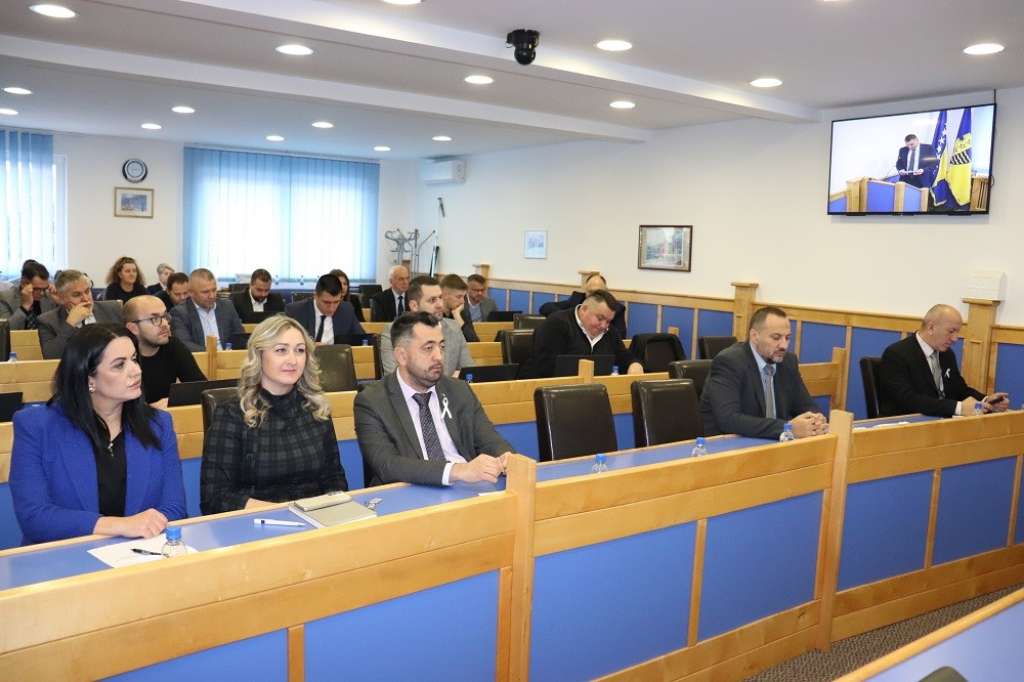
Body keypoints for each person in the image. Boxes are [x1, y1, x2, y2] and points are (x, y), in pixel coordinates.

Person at [9, 325, 187, 544]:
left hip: (140, 553)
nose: (136, 371)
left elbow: (175, 508)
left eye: (134, 359)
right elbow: (34, 518)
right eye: (119, 365)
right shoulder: (36, 427)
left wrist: (137, 529)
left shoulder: (158, 424)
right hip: (62, 557)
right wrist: (121, 525)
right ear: (88, 378)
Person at [200, 315, 348, 514]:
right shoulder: (232, 414)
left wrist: (333, 511)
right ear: (259, 355)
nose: (293, 360)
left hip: (316, 519)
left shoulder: (317, 408)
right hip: (257, 522)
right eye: (281, 350)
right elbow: (215, 497)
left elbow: (334, 477)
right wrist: (286, 512)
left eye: (300, 350)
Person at [355, 312, 512, 487]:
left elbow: (489, 439)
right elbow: (387, 465)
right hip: (410, 492)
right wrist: (456, 471)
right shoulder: (372, 401)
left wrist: (505, 456)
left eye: (442, 346)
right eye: (428, 348)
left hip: (466, 489)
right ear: (402, 356)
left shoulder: (459, 390)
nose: (439, 356)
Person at [700, 306, 826, 439]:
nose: (784, 345)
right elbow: (729, 420)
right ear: (755, 336)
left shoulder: (788, 362)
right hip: (729, 444)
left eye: (787, 338)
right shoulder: (729, 362)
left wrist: (816, 420)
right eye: (776, 338)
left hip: (771, 442)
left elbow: (806, 405)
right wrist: (787, 428)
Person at [878, 304, 1009, 417]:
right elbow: (909, 400)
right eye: (951, 331)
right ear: (931, 328)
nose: (955, 338)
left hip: (939, 423)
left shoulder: (946, 354)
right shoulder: (896, 354)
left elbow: (959, 389)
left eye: (957, 332)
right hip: (904, 425)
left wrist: (986, 401)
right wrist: (959, 408)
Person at [521, 289, 641, 379]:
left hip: (591, 392)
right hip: (540, 389)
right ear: (584, 309)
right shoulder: (556, 324)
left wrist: (634, 365)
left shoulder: (610, 332)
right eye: (600, 318)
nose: (604, 325)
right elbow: (546, 368)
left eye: (608, 321)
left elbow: (624, 357)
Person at [379, 277, 474, 376]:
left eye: (440, 298)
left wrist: (459, 377)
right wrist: (452, 379)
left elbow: (470, 372)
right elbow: (394, 377)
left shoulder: (453, 327)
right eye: (432, 300)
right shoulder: (393, 331)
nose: (440, 305)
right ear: (414, 306)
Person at [124, 295, 206, 408]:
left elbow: (201, 390)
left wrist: (175, 401)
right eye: (154, 319)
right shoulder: (122, 357)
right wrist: (151, 410)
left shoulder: (173, 346)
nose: (165, 324)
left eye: (165, 316)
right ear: (133, 328)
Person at [37, 270, 122, 359]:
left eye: (87, 291)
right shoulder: (48, 321)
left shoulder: (112, 308)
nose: (85, 299)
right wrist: (70, 324)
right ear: (62, 299)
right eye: (77, 295)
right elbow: (51, 356)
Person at [169, 268, 244, 352]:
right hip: (199, 358)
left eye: (214, 290)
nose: (212, 296)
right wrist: (213, 353)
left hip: (229, 356)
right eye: (205, 292)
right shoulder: (180, 313)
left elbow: (240, 337)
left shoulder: (227, 306)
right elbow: (184, 344)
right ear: (191, 293)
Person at [539, 273, 627, 338]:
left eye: (598, 292)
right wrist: (571, 318)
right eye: (590, 292)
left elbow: (620, 336)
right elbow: (545, 307)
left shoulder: (615, 308)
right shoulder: (577, 300)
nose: (594, 295)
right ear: (585, 290)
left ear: (606, 292)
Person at [285, 274, 364, 344]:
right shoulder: (295, 311)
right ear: (316, 296)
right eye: (327, 302)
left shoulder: (347, 309)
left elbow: (363, 340)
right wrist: (310, 346)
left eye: (336, 302)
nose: (331, 308)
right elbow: (285, 342)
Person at [0, 260, 57, 330]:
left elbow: (63, 327)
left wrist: (60, 301)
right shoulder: (5, 298)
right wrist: (25, 307)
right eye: (37, 289)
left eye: (45, 288)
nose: (42, 293)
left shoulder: (49, 297)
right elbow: (4, 331)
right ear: (23, 283)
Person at [440, 273, 479, 342]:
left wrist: (457, 317)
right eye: (458, 297)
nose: (462, 301)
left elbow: (474, 342)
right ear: (444, 295)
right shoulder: (434, 314)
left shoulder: (462, 312)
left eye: (464, 297)